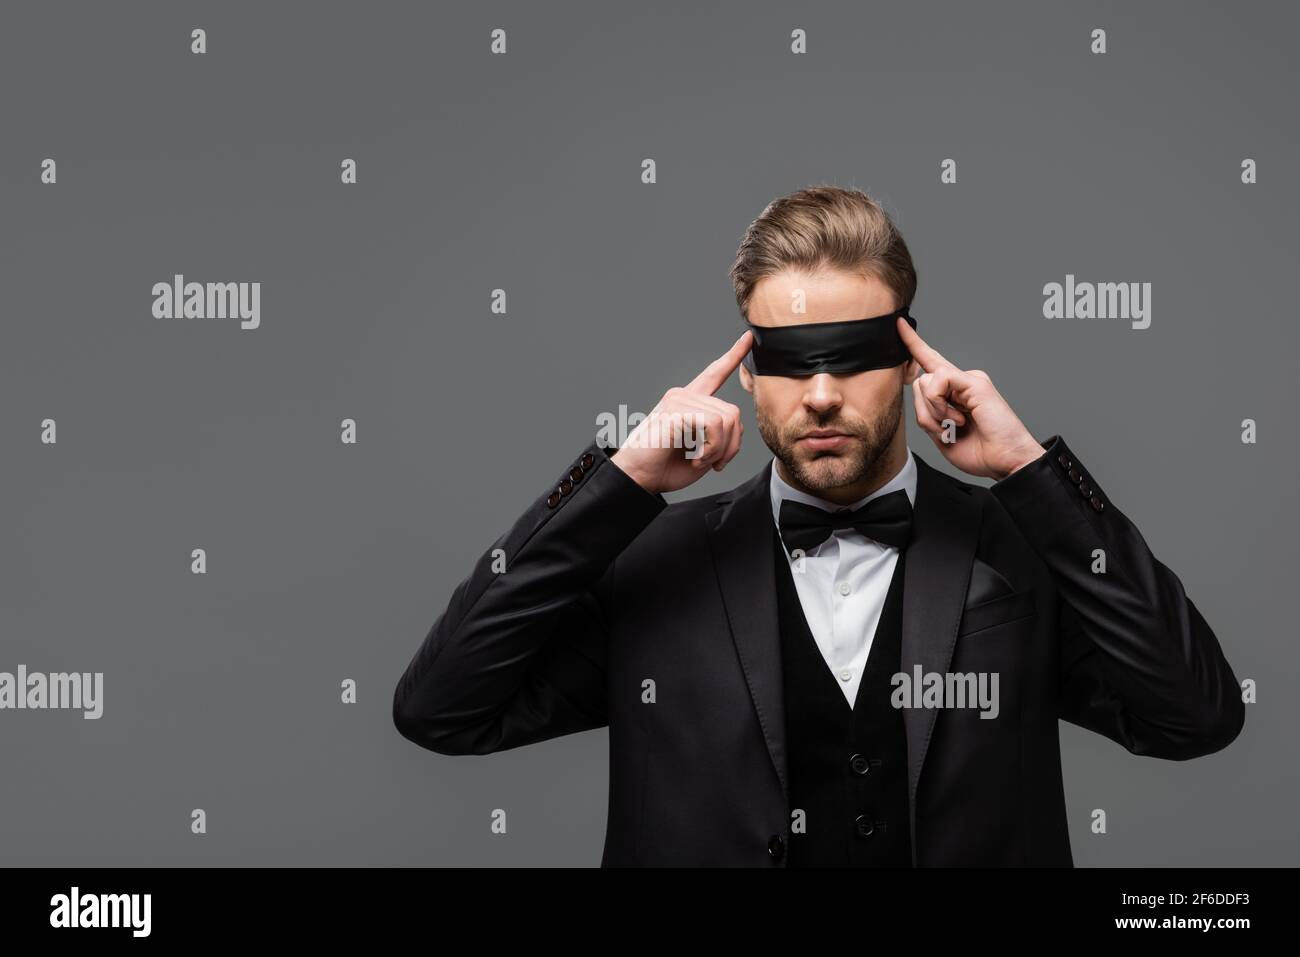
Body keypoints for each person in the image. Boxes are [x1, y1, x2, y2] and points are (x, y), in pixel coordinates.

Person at [392, 185, 1244, 866]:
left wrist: (1031, 474)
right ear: (749, 375)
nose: (824, 392)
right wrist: (614, 483)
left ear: (914, 360)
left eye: (856, 353)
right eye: (792, 360)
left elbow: (1197, 714)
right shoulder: (652, 560)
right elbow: (440, 709)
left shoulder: (1016, 546)